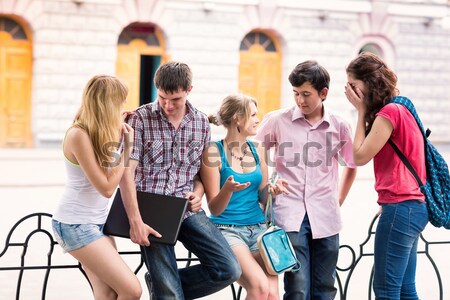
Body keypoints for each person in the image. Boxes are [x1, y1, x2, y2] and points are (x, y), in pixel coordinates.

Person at [119, 61, 241, 299]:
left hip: (186, 208)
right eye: (162, 97)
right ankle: (165, 289)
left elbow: (198, 172)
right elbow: (126, 173)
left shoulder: (201, 122)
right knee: (170, 293)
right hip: (151, 210)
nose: (167, 105)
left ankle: (162, 286)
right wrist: (135, 220)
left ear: (189, 90)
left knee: (229, 269)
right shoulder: (140, 118)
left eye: (175, 99)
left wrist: (199, 192)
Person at [255, 60, 357, 300]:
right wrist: (266, 188)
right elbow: (255, 150)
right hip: (289, 216)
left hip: (326, 216)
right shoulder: (278, 120)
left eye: (306, 94)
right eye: (295, 93)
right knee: (297, 288)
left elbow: (351, 165)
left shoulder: (340, 125)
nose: (300, 100)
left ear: (323, 93)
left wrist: (338, 199)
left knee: (325, 287)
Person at [52, 75, 147, 300]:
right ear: (108, 104)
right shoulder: (79, 135)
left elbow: (107, 170)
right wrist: (127, 148)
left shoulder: (98, 131)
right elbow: (106, 187)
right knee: (132, 290)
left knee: (107, 294)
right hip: (75, 224)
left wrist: (116, 131)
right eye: (120, 101)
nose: (123, 106)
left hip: (97, 223)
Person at [345, 52, 429, 300]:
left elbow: (358, 156)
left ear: (369, 83)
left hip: (401, 208)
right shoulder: (403, 107)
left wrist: (360, 111)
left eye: (353, 85)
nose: (349, 91)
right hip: (412, 207)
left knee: (387, 290)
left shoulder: (389, 114)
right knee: (405, 289)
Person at [200, 94, 289, 300]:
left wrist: (273, 190)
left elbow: (263, 196)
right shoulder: (213, 151)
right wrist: (228, 189)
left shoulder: (258, 149)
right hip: (228, 231)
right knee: (259, 288)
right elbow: (214, 208)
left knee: (273, 294)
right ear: (238, 118)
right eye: (253, 115)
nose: (258, 120)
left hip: (259, 231)